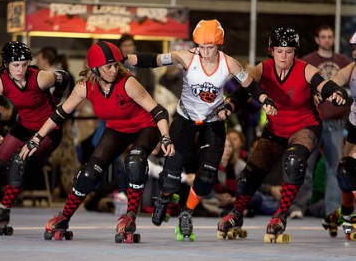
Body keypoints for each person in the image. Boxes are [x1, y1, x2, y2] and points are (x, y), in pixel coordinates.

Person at [125, 19, 277, 240]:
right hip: (185, 118)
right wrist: (124, 58)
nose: (206, 52)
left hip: (213, 120)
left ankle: (186, 213)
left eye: (211, 47)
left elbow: (250, 85)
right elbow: (153, 60)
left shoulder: (229, 63)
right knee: (170, 176)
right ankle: (164, 198)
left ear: (219, 45)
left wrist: (266, 100)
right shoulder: (186, 56)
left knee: (207, 177)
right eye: (202, 47)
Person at [20, 41, 175, 242]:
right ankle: (64, 217)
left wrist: (165, 137)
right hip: (116, 129)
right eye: (108, 66)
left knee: (134, 163)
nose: (114, 70)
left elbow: (158, 111)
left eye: (116, 65)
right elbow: (60, 114)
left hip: (145, 128)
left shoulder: (127, 82)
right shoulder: (86, 86)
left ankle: (130, 218)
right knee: (89, 172)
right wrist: (37, 138)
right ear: (95, 68)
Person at [216, 27, 348, 242]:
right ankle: (236, 214)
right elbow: (243, 91)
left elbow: (324, 85)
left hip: (305, 127)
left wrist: (336, 92)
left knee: (294, 161)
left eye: (288, 51)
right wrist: (229, 106)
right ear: (271, 51)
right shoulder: (263, 68)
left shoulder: (305, 68)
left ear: (295, 52)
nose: (283, 56)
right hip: (275, 129)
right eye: (279, 51)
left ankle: (281, 214)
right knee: (249, 175)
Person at [0, 41, 69, 234]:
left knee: (18, 161)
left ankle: (3, 209)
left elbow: (64, 77)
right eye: (16, 65)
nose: (21, 69)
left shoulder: (40, 77)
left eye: (25, 64)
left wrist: (56, 99)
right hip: (23, 126)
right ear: (6, 64)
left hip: (49, 130)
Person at [290, 25, 351, 219]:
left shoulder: (343, 61)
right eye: (323, 37)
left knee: (335, 167)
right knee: (305, 164)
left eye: (330, 37)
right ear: (317, 40)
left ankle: (332, 211)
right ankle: (298, 207)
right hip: (311, 121)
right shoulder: (307, 61)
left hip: (335, 122)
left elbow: (351, 89)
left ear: (334, 39)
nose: (327, 40)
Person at [321, 31, 356, 239]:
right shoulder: (351, 70)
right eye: (353, 48)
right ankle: (347, 212)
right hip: (353, 124)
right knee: (344, 170)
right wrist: (335, 92)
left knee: (352, 165)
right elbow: (332, 81)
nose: (354, 52)